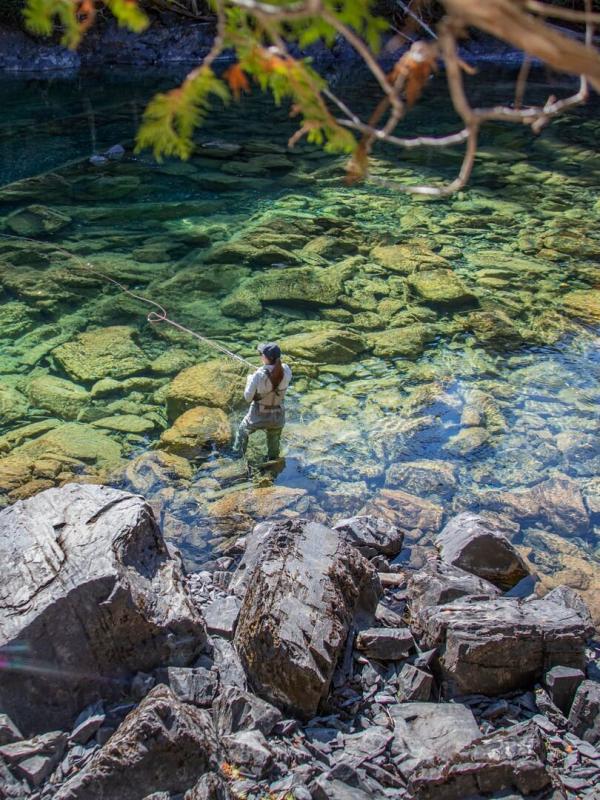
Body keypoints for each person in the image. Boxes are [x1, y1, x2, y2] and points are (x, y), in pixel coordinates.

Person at [234, 342, 292, 460]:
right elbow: (274, 373)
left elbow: (247, 398)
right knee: (274, 438)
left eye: (261, 354)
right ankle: (273, 461)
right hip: (277, 416)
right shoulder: (286, 370)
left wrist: (249, 379)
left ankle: (238, 457)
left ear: (265, 358)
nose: (260, 356)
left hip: (258, 416)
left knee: (242, 431)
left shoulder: (257, 376)